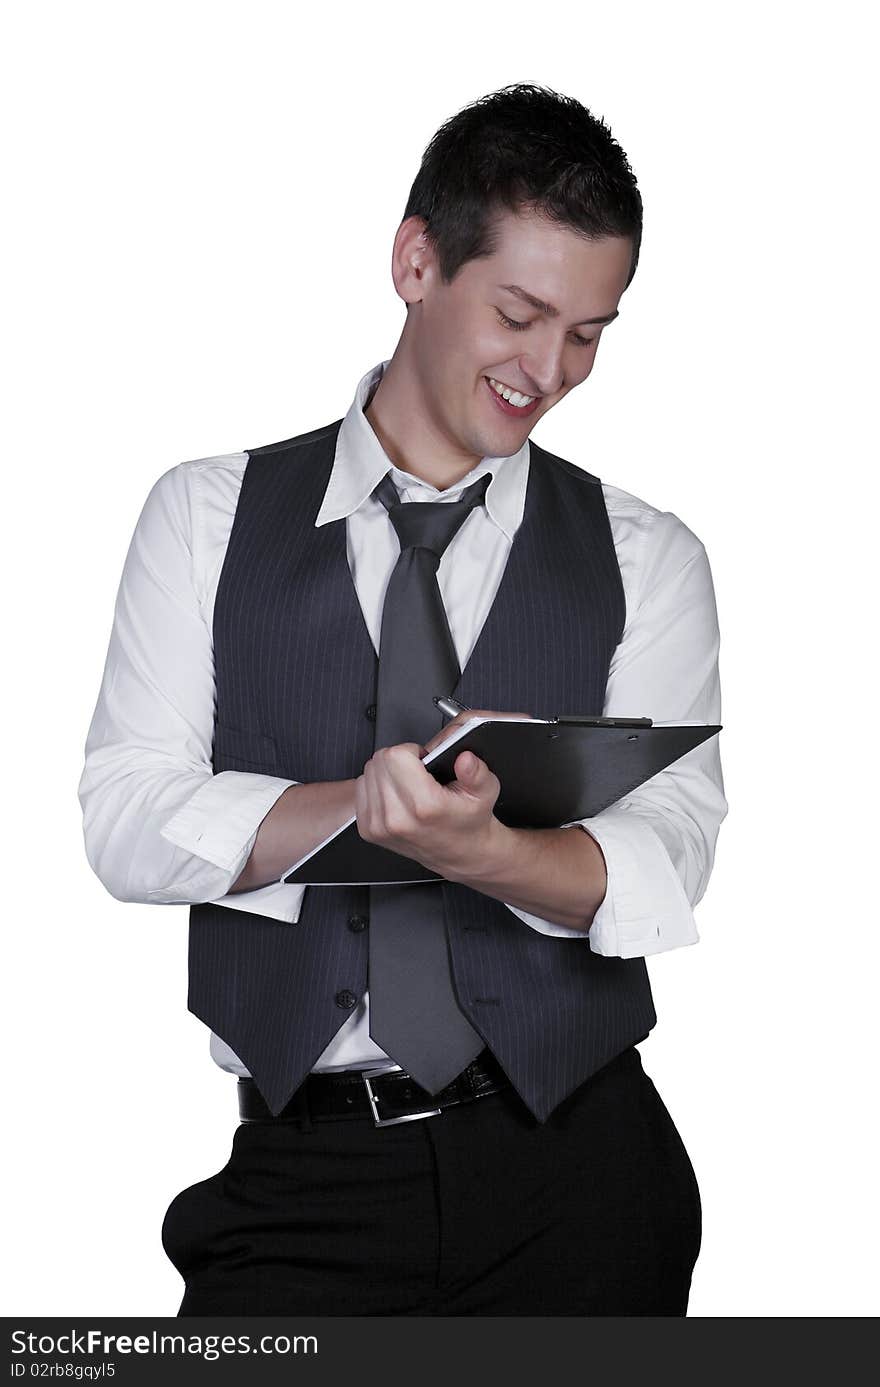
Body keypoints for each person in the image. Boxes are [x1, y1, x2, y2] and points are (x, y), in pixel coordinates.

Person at [78, 82, 727, 1316]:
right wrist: (371, 817)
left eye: (588, 332)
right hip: (299, 1180)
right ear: (416, 260)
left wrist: (490, 856)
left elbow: (668, 854)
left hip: (578, 1169)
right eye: (522, 314)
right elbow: (125, 815)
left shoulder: (649, 556)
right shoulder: (204, 517)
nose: (550, 371)